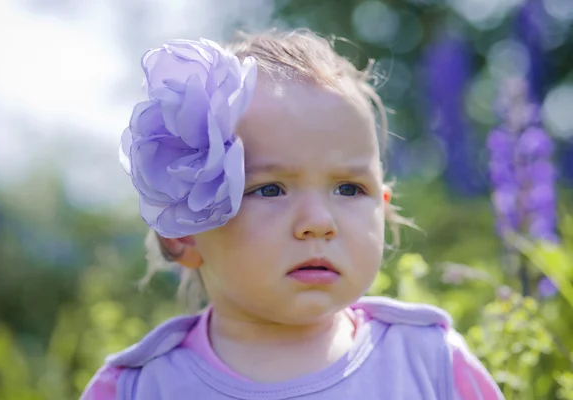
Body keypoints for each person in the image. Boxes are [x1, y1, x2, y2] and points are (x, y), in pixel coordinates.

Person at [81, 29, 504, 399]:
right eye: (269, 189)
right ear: (184, 234)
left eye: (349, 188)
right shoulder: (139, 388)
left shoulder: (431, 363)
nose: (319, 221)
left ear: (383, 206)